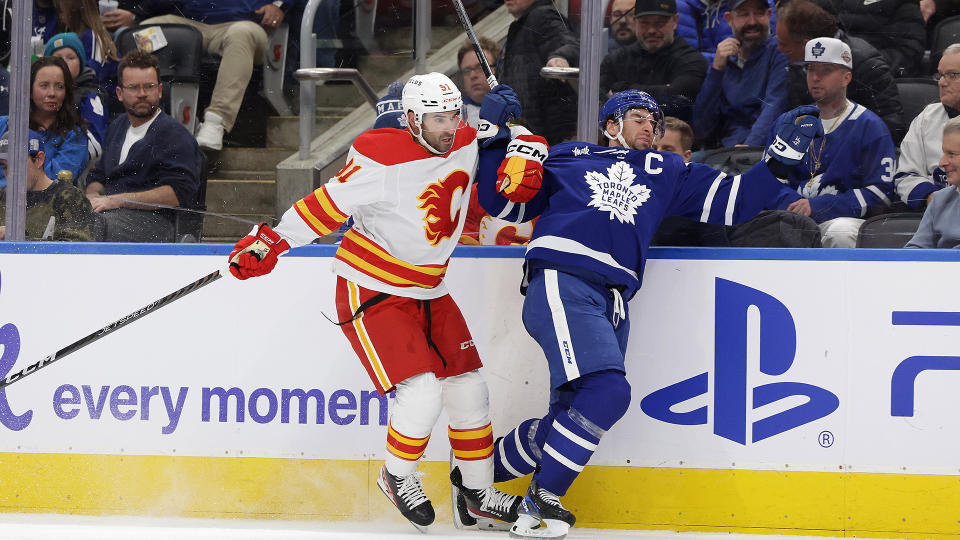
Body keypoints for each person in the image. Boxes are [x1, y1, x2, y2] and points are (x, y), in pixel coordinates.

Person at [476, 89, 819, 539]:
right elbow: (503, 204)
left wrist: (779, 159)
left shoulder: (668, 170)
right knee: (608, 393)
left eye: (655, 124)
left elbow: (734, 201)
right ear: (610, 124)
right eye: (638, 117)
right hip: (564, 277)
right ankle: (542, 501)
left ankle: (474, 480)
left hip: (614, 299)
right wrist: (492, 138)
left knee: (570, 414)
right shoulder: (565, 156)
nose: (648, 128)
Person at [226, 73, 538, 532]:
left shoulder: (463, 137)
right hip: (373, 286)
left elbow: (513, 147)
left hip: (430, 288)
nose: (449, 127)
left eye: (454, 115)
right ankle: (398, 476)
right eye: (436, 118)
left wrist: (513, 125)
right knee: (422, 393)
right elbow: (322, 207)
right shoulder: (380, 157)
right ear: (412, 119)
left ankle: (476, 496)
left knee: (469, 388)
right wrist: (268, 242)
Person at [768, 37, 896, 248]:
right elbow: (770, 181)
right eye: (810, 69)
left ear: (847, 77)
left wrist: (818, 206)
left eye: (826, 70)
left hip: (843, 219)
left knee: (841, 232)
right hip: (792, 217)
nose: (815, 78)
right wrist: (796, 208)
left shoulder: (870, 126)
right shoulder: (786, 123)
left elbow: (880, 193)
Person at [143, 0, 293, 150]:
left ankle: (216, 121)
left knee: (241, 33)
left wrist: (279, 5)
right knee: (141, 32)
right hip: (191, 24)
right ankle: (139, 117)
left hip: (243, 23)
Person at [85, 50, 202, 242]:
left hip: (156, 223)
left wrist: (116, 200)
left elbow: (178, 193)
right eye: (133, 87)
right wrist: (92, 195)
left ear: (160, 90)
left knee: (94, 224)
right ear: (119, 93)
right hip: (109, 215)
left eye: (149, 86)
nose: (142, 94)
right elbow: (99, 175)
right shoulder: (117, 126)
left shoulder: (175, 135)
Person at [775, 0, 905, 144]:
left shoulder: (867, 66)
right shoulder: (798, 64)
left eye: (783, 44)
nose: (779, 49)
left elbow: (892, 128)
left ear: (808, 45)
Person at [692, 0, 788, 148]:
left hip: (761, 149)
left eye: (759, 13)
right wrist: (717, 70)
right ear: (729, 19)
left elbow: (774, 105)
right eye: (744, 14)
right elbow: (701, 128)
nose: (752, 21)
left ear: (769, 15)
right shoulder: (724, 57)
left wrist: (750, 146)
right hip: (722, 151)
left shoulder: (779, 51)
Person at [599, 0, 708, 121]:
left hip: (670, 135)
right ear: (635, 22)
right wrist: (662, 91)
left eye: (659, 23)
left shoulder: (692, 60)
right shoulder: (616, 59)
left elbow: (678, 102)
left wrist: (622, 89)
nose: (651, 30)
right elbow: (599, 99)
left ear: (675, 21)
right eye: (644, 23)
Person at [0, 56, 89, 188]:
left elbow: (51, 184)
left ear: (66, 92)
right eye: (44, 85)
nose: (52, 93)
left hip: (42, 206)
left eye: (59, 86)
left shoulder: (74, 136)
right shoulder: (4, 124)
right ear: (29, 91)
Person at [499, 0, 579, 144]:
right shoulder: (518, 27)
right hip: (532, 135)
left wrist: (560, 57)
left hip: (551, 138)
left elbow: (569, 44)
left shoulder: (542, 16)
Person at [894, 44, 960, 211]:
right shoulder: (927, 117)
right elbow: (905, 176)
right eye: (940, 75)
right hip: (934, 214)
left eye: (952, 75)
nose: (941, 82)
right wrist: (931, 198)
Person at [0, 130, 95, 241]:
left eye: (17, 165)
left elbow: (76, 250)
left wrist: (19, 238)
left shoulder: (69, 198)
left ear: (39, 159)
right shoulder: (3, 196)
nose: (11, 173)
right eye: (5, 167)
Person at [45, 32, 108, 163]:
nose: (64, 63)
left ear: (81, 63)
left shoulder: (90, 96)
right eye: (58, 58)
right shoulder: (37, 95)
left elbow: (95, 145)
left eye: (71, 57)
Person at [832, 0, 925, 78]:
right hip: (833, 69)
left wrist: (864, 65)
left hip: (873, 76)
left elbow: (907, 52)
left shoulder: (904, 5)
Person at [906, 117, 960, 249]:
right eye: (944, 153)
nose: (942, 162)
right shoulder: (940, 200)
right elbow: (915, 250)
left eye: (951, 154)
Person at [458, 37, 500, 129]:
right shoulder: (455, 118)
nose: (473, 75)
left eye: (480, 67)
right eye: (467, 71)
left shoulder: (513, 108)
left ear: (497, 69)